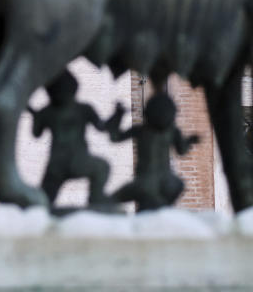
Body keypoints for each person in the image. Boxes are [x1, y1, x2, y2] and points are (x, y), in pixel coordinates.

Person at [27, 70, 123, 207]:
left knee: (44, 200)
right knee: (102, 167)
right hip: (79, 161)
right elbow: (103, 128)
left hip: (55, 165)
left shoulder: (47, 111)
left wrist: (36, 118)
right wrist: (118, 115)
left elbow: (36, 134)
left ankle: (40, 211)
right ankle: (95, 197)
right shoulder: (83, 109)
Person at [109, 92, 199, 210]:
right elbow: (182, 150)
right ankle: (163, 206)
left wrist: (118, 115)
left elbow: (115, 137)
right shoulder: (172, 131)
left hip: (144, 182)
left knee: (110, 200)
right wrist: (190, 141)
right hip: (167, 181)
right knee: (178, 186)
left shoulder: (141, 130)